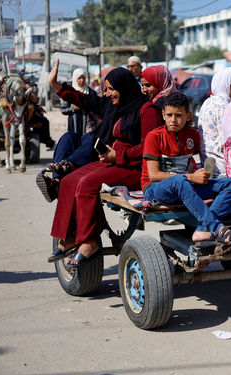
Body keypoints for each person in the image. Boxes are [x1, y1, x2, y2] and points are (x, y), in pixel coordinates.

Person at [47, 65, 162, 267]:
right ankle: (69, 236)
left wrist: (119, 154)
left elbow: (149, 147)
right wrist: (57, 86)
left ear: (124, 86)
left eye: (110, 89)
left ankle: (89, 240)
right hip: (115, 161)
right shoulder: (119, 107)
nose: (107, 94)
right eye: (106, 89)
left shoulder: (147, 110)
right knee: (69, 180)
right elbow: (86, 101)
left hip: (136, 168)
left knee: (87, 184)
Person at [142, 92, 231, 245]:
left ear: (188, 116)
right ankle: (218, 229)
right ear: (163, 114)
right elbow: (154, 175)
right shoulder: (154, 136)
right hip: (156, 190)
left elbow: (200, 160)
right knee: (180, 180)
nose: (173, 120)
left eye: (178, 115)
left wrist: (202, 172)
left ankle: (203, 228)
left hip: (185, 187)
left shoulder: (193, 135)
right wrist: (190, 177)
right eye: (169, 115)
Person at [198, 67, 231, 176]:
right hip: (222, 168)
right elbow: (228, 142)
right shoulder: (223, 107)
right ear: (227, 84)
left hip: (209, 164)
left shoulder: (209, 102)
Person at [60, 68, 99, 138]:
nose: (82, 80)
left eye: (83, 78)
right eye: (79, 78)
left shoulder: (91, 92)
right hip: (74, 126)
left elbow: (96, 108)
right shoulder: (70, 93)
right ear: (75, 79)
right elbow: (63, 109)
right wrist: (73, 108)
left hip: (89, 127)